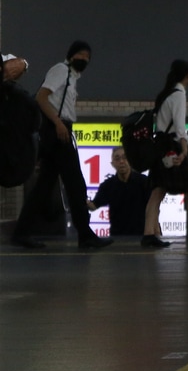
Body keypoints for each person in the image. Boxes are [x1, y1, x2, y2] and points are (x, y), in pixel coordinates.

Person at [10, 40, 113, 250]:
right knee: (75, 183)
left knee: (44, 186)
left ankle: (21, 232)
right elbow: (41, 97)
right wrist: (58, 124)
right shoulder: (61, 70)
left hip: (58, 131)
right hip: (58, 132)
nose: (84, 59)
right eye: (81, 55)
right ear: (72, 55)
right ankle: (85, 236)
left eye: (88, 57)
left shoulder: (72, 77)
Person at [143, 59, 188, 249]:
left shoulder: (165, 94)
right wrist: (186, 148)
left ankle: (148, 234)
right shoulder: (179, 94)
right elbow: (180, 128)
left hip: (161, 145)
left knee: (158, 190)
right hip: (172, 145)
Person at [88, 147, 151, 237]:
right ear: (112, 163)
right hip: (117, 236)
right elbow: (93, 206)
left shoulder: (143, 181)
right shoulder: (108, 185)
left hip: (142, 234)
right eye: (117, 159)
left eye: (125, 157)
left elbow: (153, 207)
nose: (121, 161)